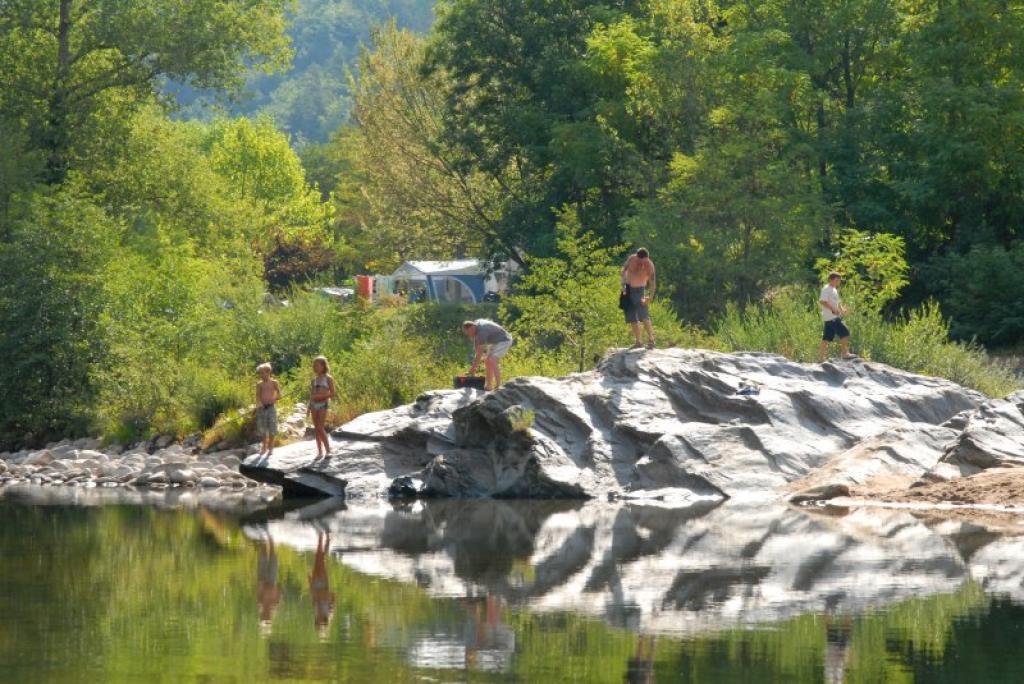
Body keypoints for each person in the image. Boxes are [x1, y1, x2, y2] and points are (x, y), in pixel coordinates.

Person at [462, 319, 513, 391]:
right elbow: (477, 345)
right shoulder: (476, 325)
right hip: (496, 341)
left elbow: (480, 352)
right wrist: (475, 365)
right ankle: (489, 386)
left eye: (468, 333)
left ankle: (498, 386)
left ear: (472, 327)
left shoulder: (482, 331)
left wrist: (473, 369)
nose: (468, 335)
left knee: (492, 359)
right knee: (487, 361)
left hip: (504, 340)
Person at [621, 248, 657, 350]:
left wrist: (650, 297)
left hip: (639, 291)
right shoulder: (632, 259)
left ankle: (651, 340)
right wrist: (623, 282)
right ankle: (638, 342)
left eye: (644, 261)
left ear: (647, 258)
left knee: (644, 316)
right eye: (640, 260)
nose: (641, 263)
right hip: (627, 290)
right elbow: (624, 270)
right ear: (637, 256)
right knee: (632, 318)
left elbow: (653, 283)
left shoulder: (649, 265)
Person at [818, 272, 855, 362]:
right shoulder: (826, 289)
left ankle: (821, 358)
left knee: (826, 338)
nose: (838, 282)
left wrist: (842, 310)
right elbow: (822, 301)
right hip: (831, 317)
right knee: (845, 332)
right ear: (830, 280)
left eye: (839, 280)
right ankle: (845, 353)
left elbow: (837, 303)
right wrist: (833, 309)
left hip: (831, 317)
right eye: (836, 280)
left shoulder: (834, 289)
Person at [307, 356, 336, 458]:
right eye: (314, 365)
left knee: (320, 427)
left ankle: (328, 451)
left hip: (323, 404)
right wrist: (308, 407)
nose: (316, 367)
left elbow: (332, 393)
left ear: (324, 366)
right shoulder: (314, 380)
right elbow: (311, 395)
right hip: (313, 405)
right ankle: (319, 452)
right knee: (316, 429)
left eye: (318, 365)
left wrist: (321, 396)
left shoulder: (328, 378)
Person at [309, 532, 335, 635]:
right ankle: (324, 538)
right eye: (319, 623)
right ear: (323, 622)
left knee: (318, 558)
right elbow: (333, 595)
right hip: (323, 584)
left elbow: (314, 598)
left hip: (315, 584)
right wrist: (323, 596)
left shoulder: (316, 612)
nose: (317, 620)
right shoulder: (329, 612)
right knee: (321, 559)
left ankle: (323, 537)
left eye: (316, 622)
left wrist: (310, 582)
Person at [255, 362, 281, 457]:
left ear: (268, 372)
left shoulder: (274, 382)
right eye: (260, 373)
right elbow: (257, 396)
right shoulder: (259, 384)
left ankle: (271, 447)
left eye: (263, 373)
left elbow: (279, 394)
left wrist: (275, 398)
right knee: (263, 428)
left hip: (271, 408)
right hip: (262, 409)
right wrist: (259, 404)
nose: (261, 375)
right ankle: (264, 447)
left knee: (272, 428)